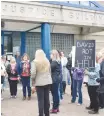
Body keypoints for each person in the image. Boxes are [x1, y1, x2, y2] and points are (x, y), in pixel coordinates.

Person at [31, 49, 52, 116]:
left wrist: (33, 80)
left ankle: (40, 114)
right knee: (46, 99)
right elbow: (49, 71)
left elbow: (33, 73)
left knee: (40, 100)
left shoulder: (34, 62)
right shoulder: (47, 61)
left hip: (39, 82)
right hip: (48, 81)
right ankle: (47, 114)